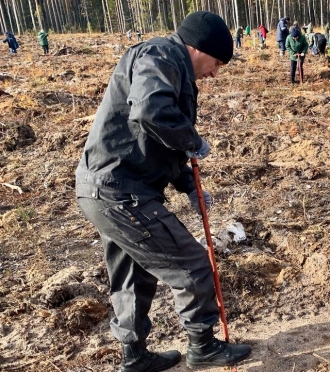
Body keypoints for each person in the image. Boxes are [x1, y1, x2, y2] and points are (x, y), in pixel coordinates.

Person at [75, 11, 252, 371]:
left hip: (102, 188)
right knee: (193, 265)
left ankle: (134, 355)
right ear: (198, 48)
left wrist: (188, 185)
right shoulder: (162, 57)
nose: (214, 73)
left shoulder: (166, 62)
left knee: (133, 273)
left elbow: (156, 143)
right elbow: (151, 112)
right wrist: (192, 139)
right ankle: (202, 346)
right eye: (216, 62)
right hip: (120, 191)